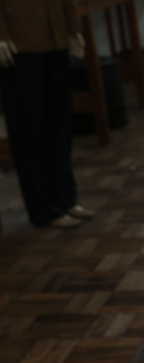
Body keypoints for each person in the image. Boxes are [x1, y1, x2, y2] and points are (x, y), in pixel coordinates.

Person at [0, 0, 94, 228]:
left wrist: (73, 26)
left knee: (60, 125)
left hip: (55, 33)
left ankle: (65, 200)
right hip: (19, 39)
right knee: (29, 129)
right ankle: (44, 210)